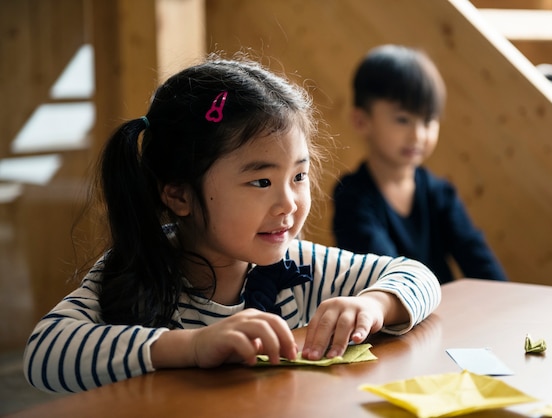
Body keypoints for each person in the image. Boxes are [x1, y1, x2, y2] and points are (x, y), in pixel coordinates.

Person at [23, 53, 441, 393]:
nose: (289, 203)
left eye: (298, 177)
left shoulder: (298, 266)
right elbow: (44, 356)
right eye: (261, 181)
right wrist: (191, 346)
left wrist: (374, 304)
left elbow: (417, 275)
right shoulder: (137, 267)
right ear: (179, 195)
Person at [333, 44, 507, 284]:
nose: (418, 135)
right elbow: (390, 278)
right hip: (390, 317)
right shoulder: (352, 198)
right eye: (403, 119)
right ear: (361, 121)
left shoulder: (440, 193)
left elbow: (479, 261)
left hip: (445, 312)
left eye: (427, 121)